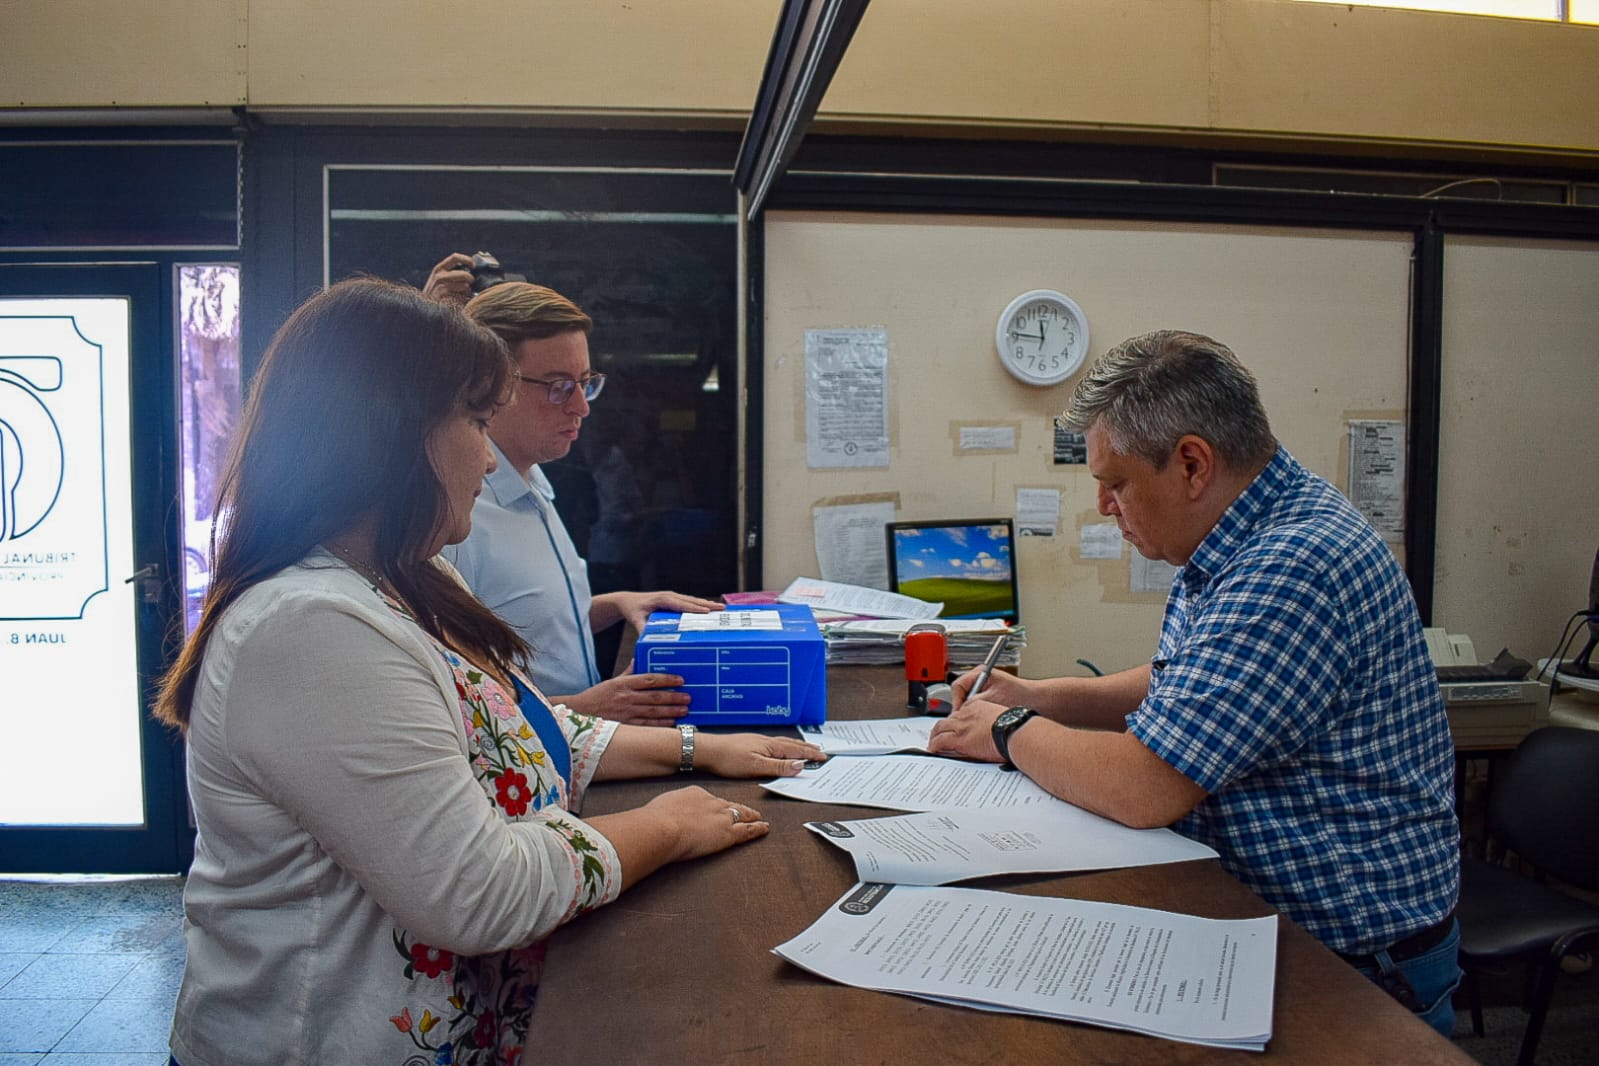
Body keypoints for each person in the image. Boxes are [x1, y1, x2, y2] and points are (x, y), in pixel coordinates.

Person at [153, 278, 823, 1066]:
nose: (486, 447)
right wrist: (667, 825)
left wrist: (699, 750)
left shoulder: (414, 574)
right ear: (391, 437)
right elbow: (477, 891)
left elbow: (522, 728)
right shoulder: (308, 627)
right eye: (474, 419)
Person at [927, 329, 1461, 1036]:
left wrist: (1006, 730)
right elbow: (1196, 679)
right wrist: (1044, 696)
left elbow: (1144, 785)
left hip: (1350, 965)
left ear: (1190, 463)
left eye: (1115, 483)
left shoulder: (1290, 563)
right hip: (1266, 925)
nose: (1102, 507)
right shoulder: (1243, 534)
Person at [435, 276, 722, 725]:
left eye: (585, 383)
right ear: (489, 385)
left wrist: (618, 603)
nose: (581, 407)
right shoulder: (456, 519)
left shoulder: (535, 479)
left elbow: (530, 627)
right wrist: (587, 708)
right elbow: (455, 712)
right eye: (557, 386)